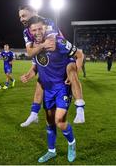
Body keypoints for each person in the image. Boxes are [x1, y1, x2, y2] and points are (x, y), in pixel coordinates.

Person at [19, 6, 85, 127]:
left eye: (24, 15)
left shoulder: (47, 22)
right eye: (20, 16)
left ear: (34, 13)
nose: (21, 19)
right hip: (47, 57)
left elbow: (52, 45)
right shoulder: (26, 31)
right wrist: (30, 72)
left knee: (72, 72)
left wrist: (38, 47)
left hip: (62, 54)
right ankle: (33, 114)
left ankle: (80, 109)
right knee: (41, 81)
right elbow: (30, 52)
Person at [25, 16, 77, 163]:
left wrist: (73, 72)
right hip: (48, 89)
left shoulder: (58, 41)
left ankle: (71, 144)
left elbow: (78, 55)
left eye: (39, 28)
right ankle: (51, 151)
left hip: (62, 87)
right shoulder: (34, 48)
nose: (37, 32)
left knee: (60, 121)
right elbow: (37, 65)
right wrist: (29, 74)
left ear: (45, 28)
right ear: (30, 31)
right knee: (49, 122)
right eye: (33, 30)